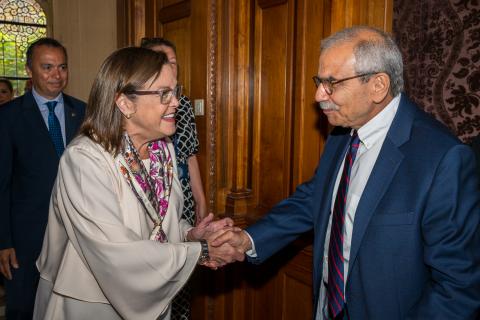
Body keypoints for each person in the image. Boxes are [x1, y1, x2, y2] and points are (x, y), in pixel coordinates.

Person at [211, 26, 480, 319]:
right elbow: (315, 199)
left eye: (331, 83)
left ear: (378, 85)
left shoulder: (442, 159)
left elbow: (457, 288)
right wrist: (249, 240)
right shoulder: (343, 133)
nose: (318, 95)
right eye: (319, 81)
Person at [32, 47, 241, 320]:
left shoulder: (162, 149)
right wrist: (199, 251)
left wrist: (190, 234)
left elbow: (158, 223)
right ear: (124, 103)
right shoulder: (84, 160)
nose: (176, 102)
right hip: (93, 303)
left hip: (152, 296)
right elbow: (114, 252)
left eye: (175, 91)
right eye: (163, 93)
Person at [0, 37, 86, 319]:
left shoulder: (84, 112)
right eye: (47, 67)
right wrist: (4, 241)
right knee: (23, 310)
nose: (57, 75)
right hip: (25, 241)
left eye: (62, 67)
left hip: (77, 234)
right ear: (29, 70)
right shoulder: (8, 117)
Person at [141, 37, 207, 320]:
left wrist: (201, 203)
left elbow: (190, 156)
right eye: (160, 62)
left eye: (172, 62)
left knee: (180, 290)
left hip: (181, 202)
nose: (168, 67)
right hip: (150, 201)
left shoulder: (183, 108)